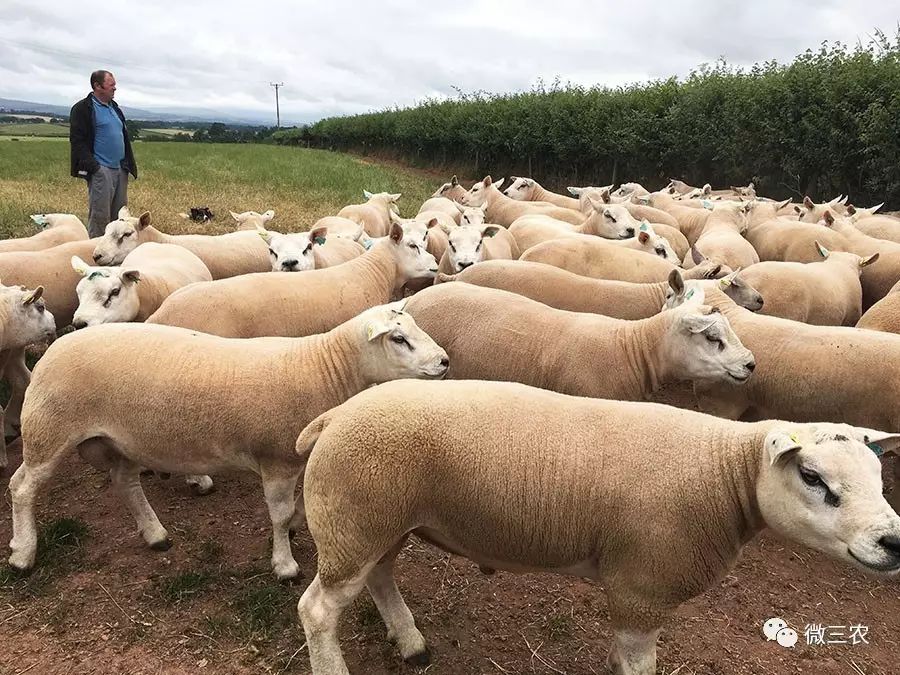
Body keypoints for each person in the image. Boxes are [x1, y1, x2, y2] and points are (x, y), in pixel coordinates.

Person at [69, 70, 138, 237]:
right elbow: (78, 142)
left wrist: (126, 166)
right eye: (111, 85)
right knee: (100, 217)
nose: (115, 88)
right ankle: (95, 251)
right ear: (97, 86)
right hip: (101, 169)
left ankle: (115, 254)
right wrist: (95, 168)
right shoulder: (83, 109)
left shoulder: (115, 108)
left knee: (119, 217)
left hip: (120, 169)